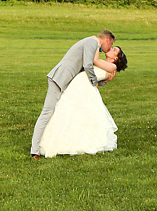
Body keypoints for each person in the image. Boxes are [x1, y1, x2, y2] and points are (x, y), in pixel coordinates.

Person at [30, 30, 118, 158]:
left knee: (54, 112)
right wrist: (95, 82)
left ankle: (49, 143)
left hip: (64, 81)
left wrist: (103, 81)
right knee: (47, 113)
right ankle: (35, 151)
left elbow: (84, 69)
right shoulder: (92, 42)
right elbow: (87, 66)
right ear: (107, 40)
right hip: (59, 79)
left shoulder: (92, 43)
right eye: (111, 45)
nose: (108, 50)